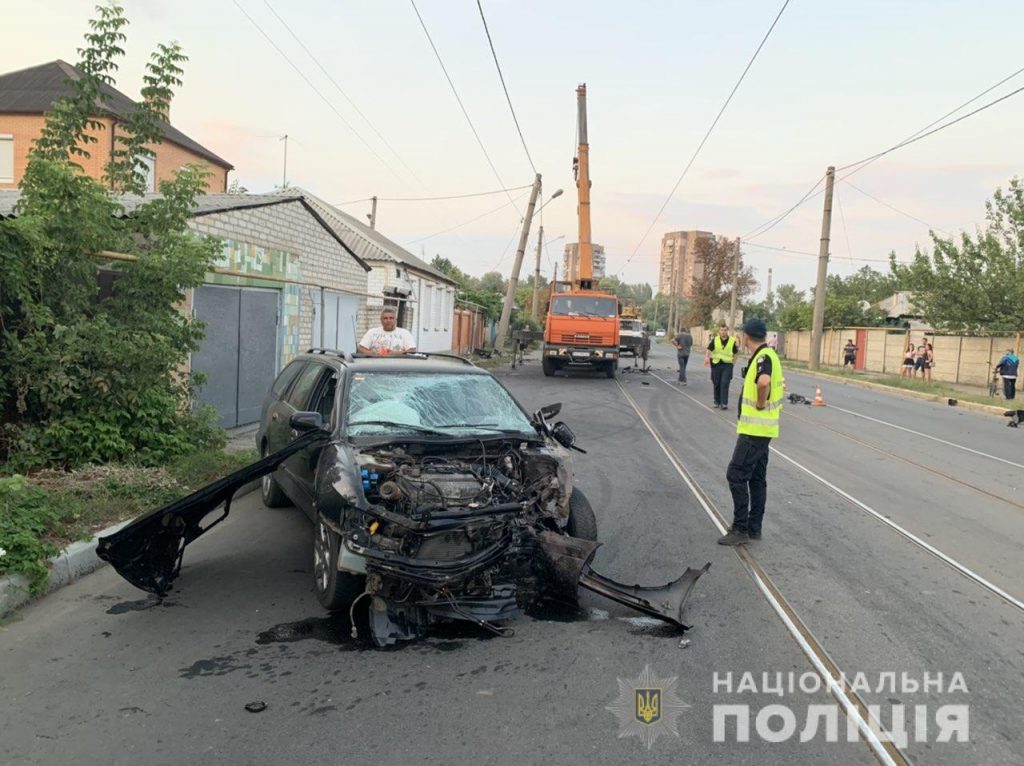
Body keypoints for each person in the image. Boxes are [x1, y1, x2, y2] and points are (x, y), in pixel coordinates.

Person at [718, 318, 784, 546]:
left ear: (746, 336)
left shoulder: (764, 357)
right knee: (757, 478)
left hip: (755, 430)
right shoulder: (769, 355)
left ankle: (740, 528)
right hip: (763, 430)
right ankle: (755, 527)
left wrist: (759, 403)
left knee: (736, 474)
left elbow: (763, 382)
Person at [705, 324, 739, 410]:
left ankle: (724, 403)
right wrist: (707, 357)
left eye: (725, 330)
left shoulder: (732, 341)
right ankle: (717, 401)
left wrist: (733, 363)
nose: (723, 332)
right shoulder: (715, 340)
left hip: (727, 365)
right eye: (721, 330)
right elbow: (709, 350)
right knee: (716, 383)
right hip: (716, 364)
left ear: (727, 331)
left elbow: (735, 353)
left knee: (725, 383)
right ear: (719, 331)